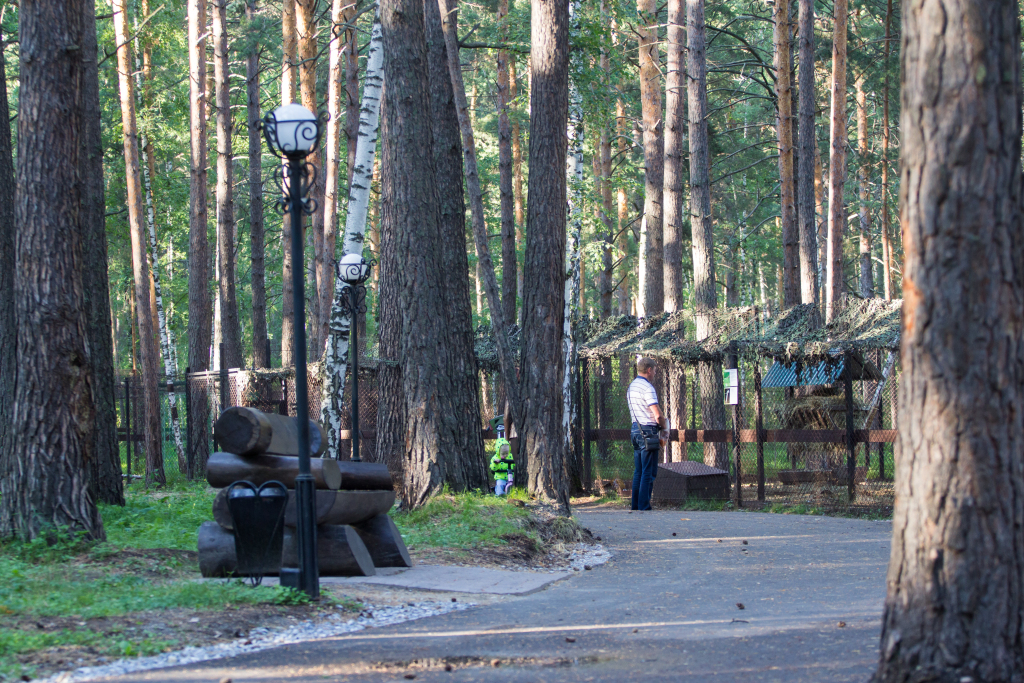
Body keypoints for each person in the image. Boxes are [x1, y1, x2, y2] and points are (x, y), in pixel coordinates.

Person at [627, 357, 666, 511]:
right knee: (648, 471)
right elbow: (657, 414)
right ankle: (644, 505)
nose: (655, 373)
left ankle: (635, 504)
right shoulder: (647, 388)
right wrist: (664, 427)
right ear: (649, 370)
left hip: (635, 429)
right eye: (655, 370)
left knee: (639, 470)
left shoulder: (632, 386)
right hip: (648, 431)